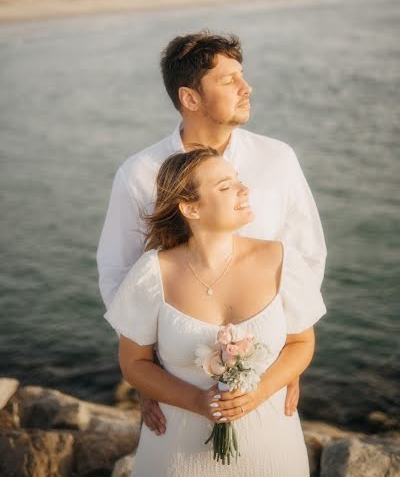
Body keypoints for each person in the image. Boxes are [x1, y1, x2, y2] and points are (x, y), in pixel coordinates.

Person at [97, 30, 327, 436]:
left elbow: (306, 254)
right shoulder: (140, 174)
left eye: (242, 75)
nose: (246, 87)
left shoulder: (278, 159)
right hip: (177, 381)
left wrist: (288, 352)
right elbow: (119, 272)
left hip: (267, 374)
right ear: (190, 98)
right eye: (228, 80)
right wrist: (146, 372)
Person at [103, 147, 327, 476]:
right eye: (225, 186)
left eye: (238, 180)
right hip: (177, 452)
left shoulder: (280, 260)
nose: (243, 189)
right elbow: (133, 363)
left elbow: (301, 343)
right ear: (190, 207)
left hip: (272, 449)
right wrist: (196, 402)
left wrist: (259, 392)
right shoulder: (153, 273)